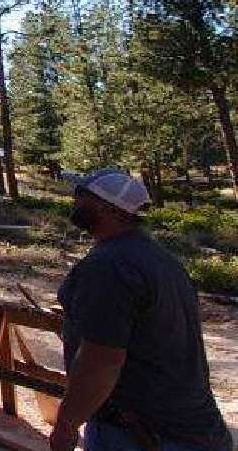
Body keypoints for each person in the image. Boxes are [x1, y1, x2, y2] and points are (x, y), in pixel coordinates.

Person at [50, 168, 233, 451]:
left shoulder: (109, 266)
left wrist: (67, 422)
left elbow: (102, 360)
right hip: (188, 428)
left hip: (140, 433)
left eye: (82, 196)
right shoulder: (161, 259)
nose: (74, 201)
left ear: (107, 208)